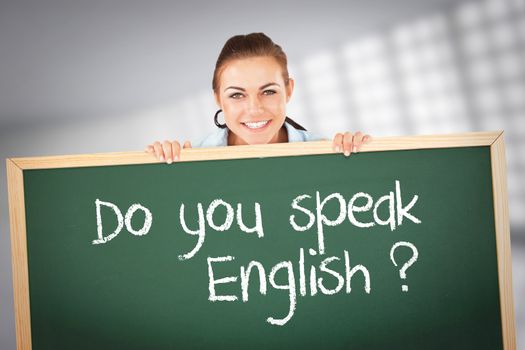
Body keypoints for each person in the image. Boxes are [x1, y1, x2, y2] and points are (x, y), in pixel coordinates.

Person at [146, 32, 370, 163]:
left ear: (289, 90)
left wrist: (364, 159)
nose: (254, 109)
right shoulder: (190, 158)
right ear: (218, 99)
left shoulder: (326, 154)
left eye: (268, 91)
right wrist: (155, 166)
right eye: (236, 95)